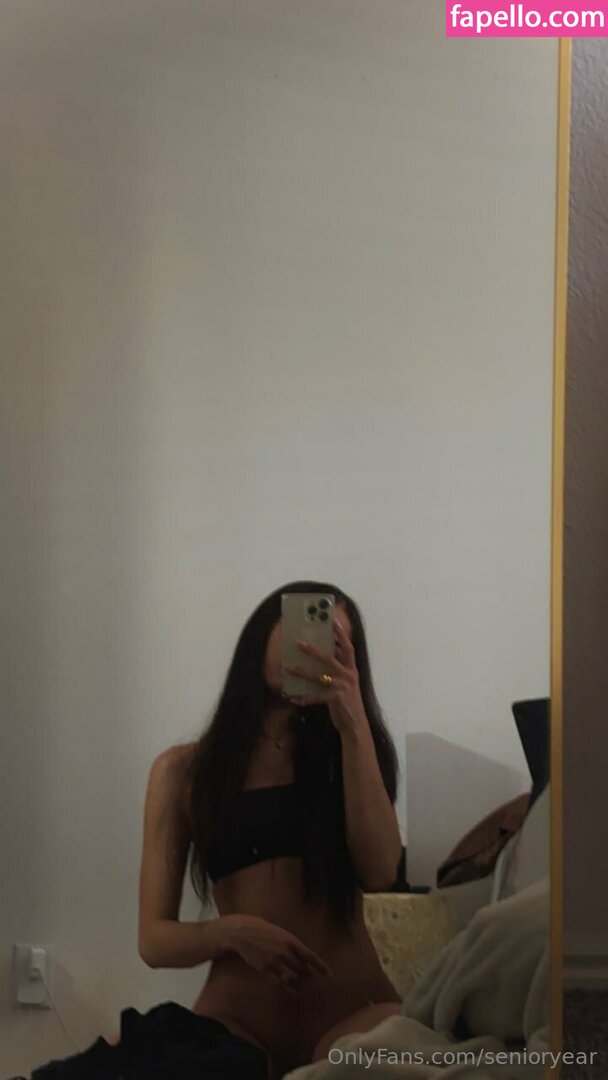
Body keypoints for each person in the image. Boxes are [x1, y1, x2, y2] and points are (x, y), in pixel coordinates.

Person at [31, 581, 403, 1080]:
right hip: (238, 1022)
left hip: (354, 1013)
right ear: (261, 633)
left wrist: (353, 726)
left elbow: (381, 871)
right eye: (303, 623)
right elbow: (155, 941)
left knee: (367, 1067)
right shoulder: (184, 772)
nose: (312, 645)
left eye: (334, 640)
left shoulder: (352, 754)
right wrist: (232, 932)